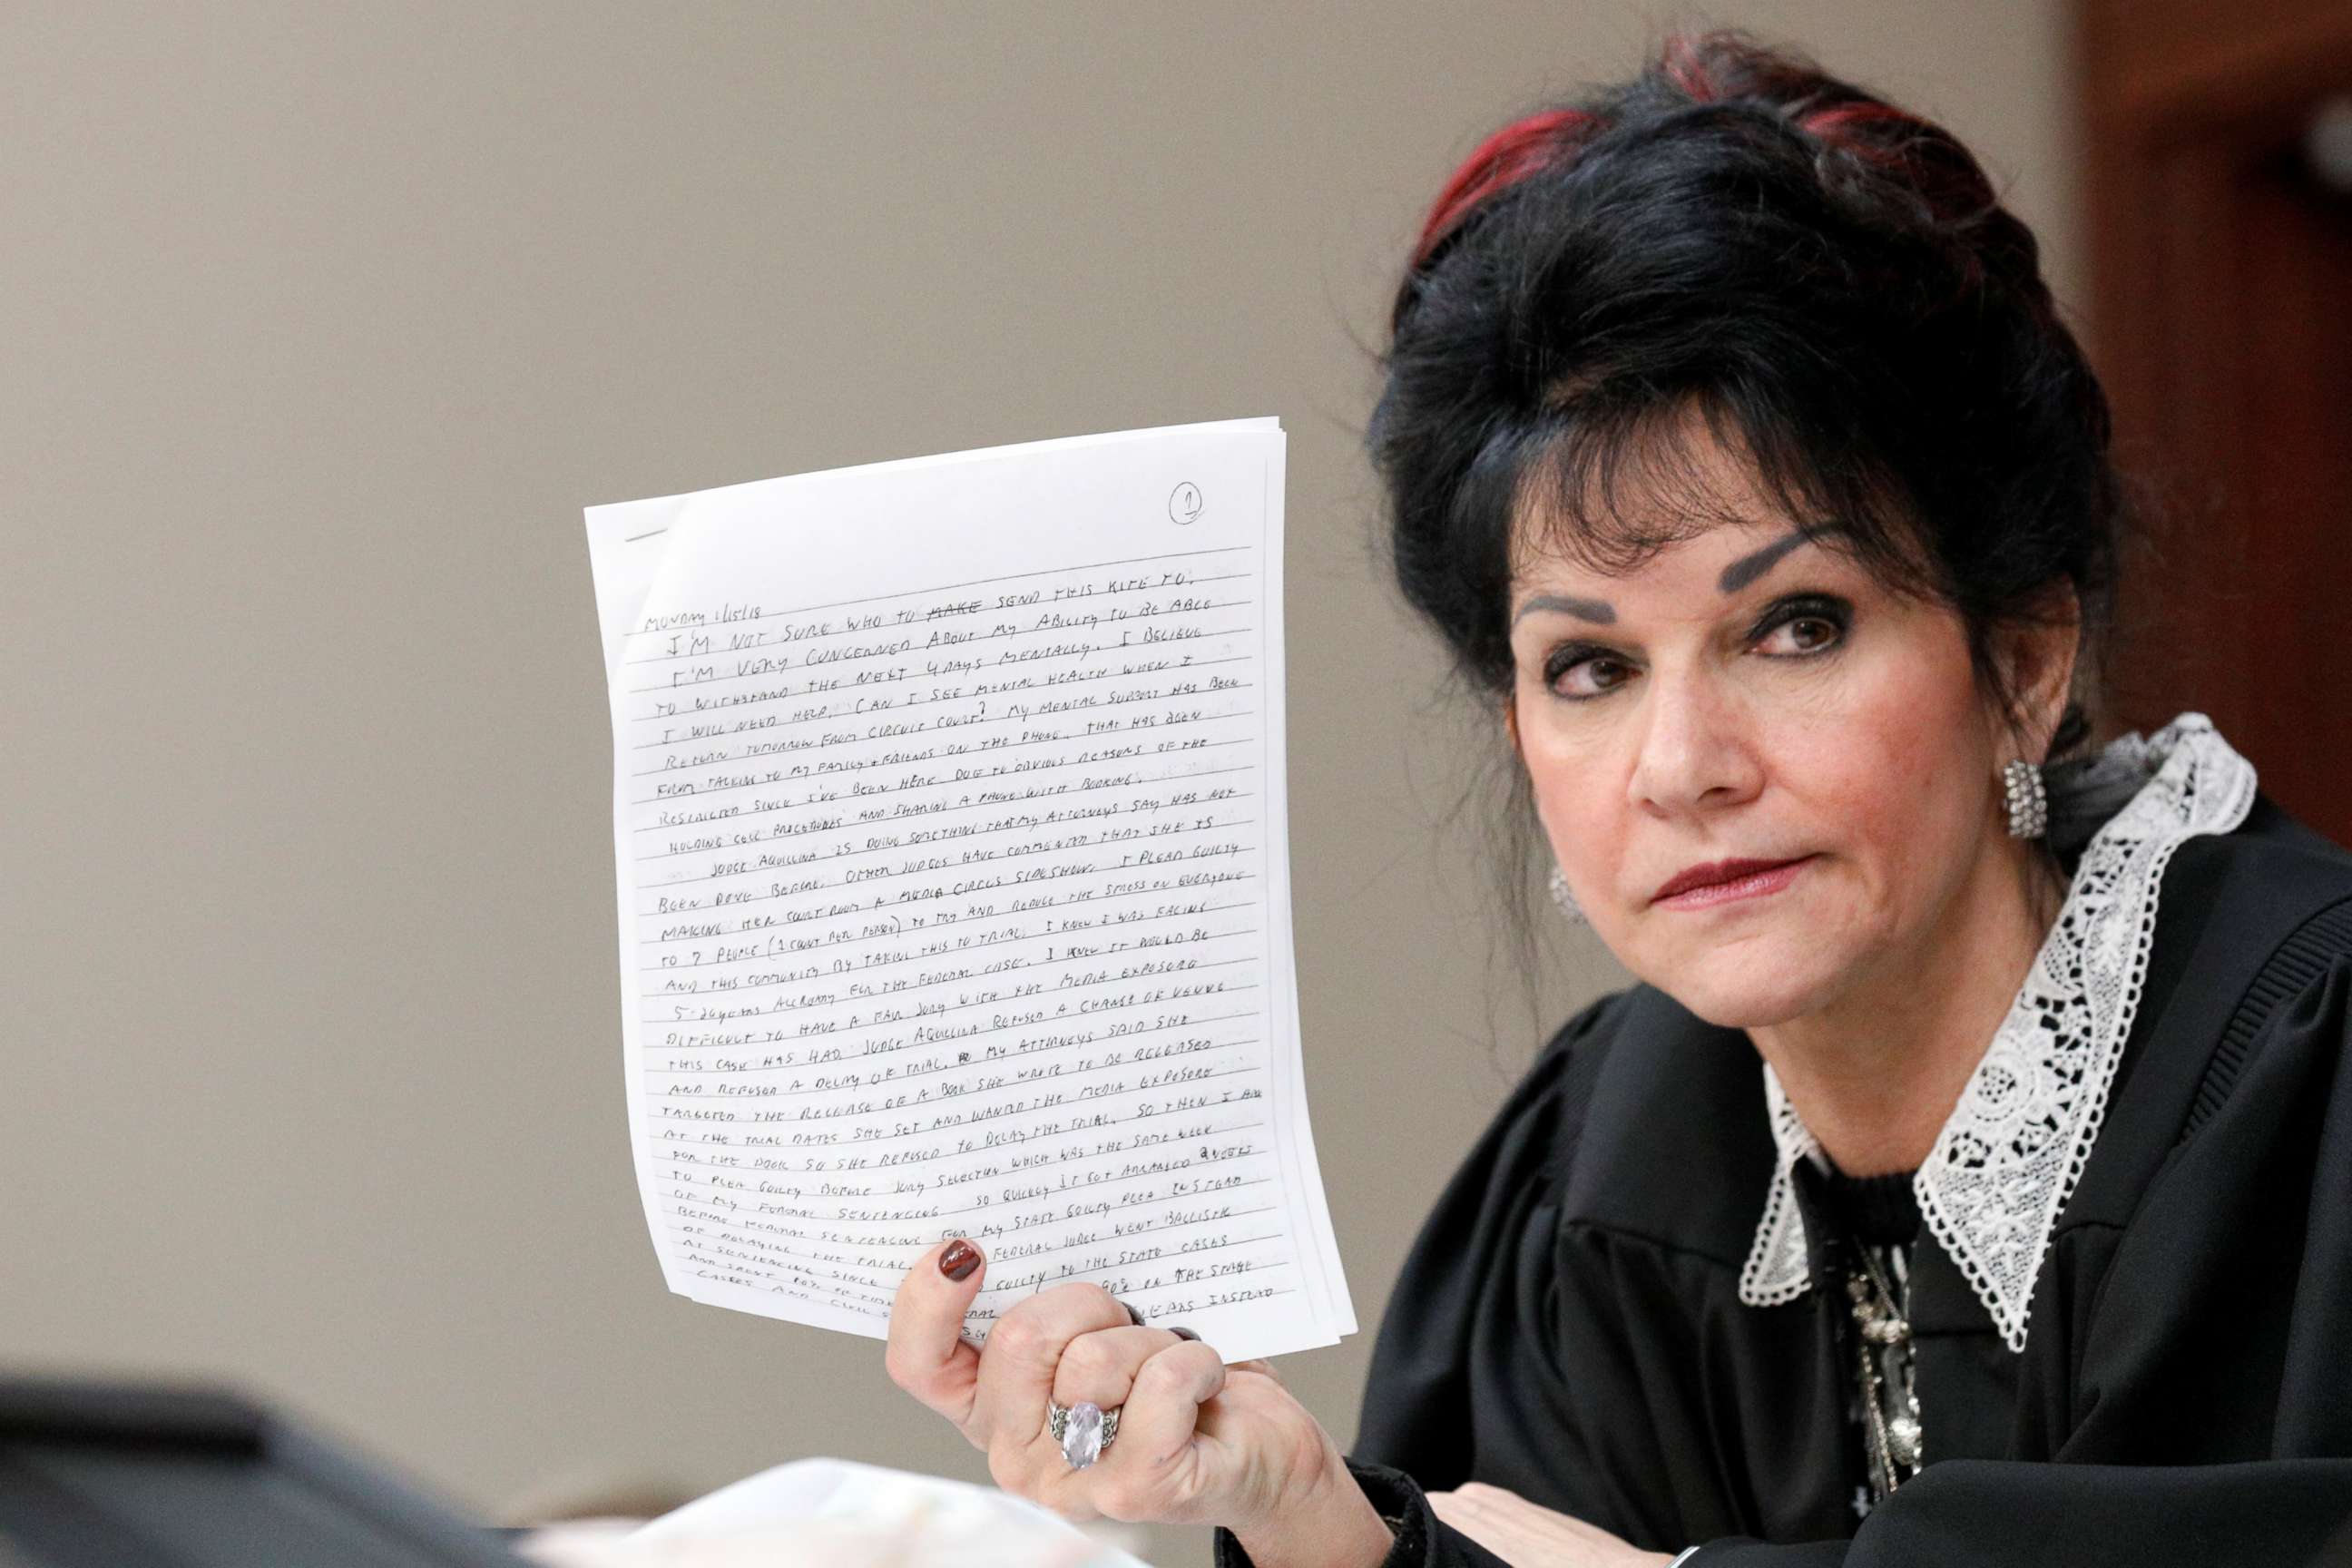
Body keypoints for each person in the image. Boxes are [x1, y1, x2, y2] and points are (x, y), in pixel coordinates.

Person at [882, 30, 2352, 1567]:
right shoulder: (1602, 1172)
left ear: (2027, 658)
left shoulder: (2312, 1079)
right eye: (1589, 666)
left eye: (1797, 626)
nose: (1683, 766)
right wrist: (1311, 1515)